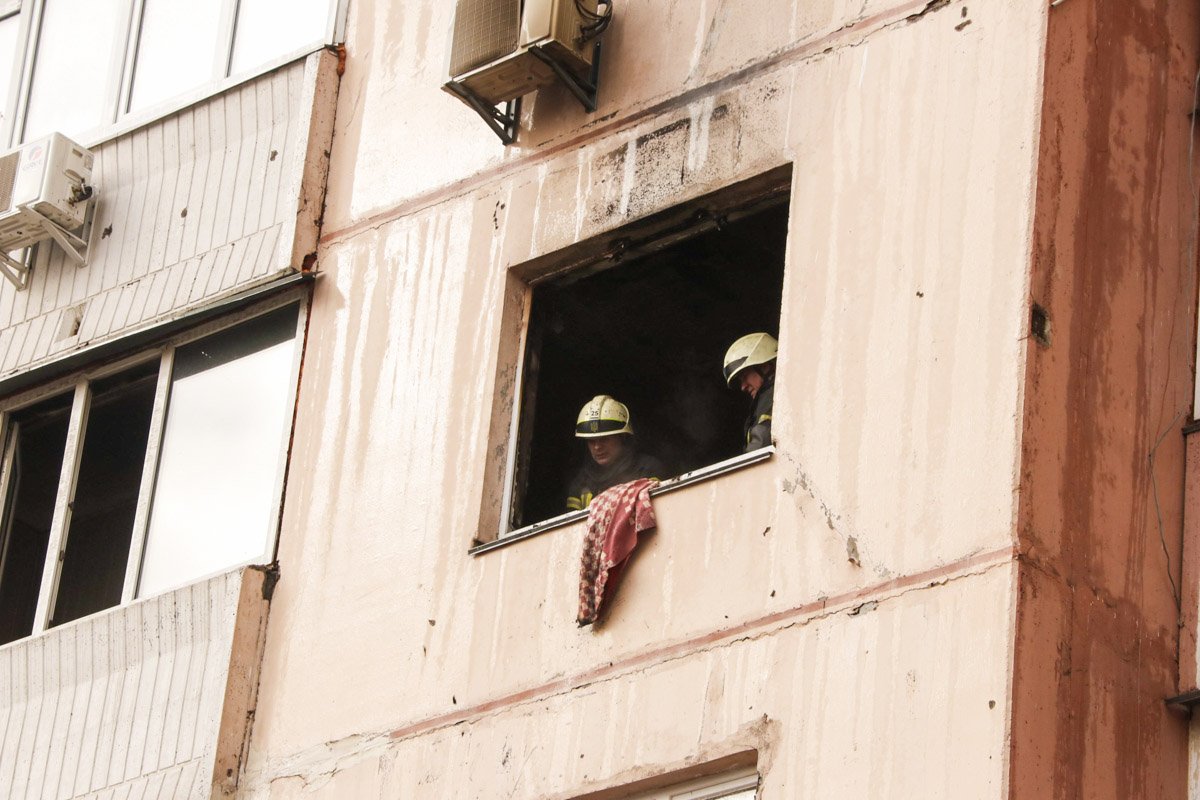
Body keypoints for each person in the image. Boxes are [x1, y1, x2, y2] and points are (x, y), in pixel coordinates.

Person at [566, 395, 665, 511]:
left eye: (604, 439)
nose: (597, 447)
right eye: (591, 441)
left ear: (622, 437)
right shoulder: (580, 484)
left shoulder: (648, 469)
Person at [723, 332, 777, 453]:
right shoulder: (766, 400)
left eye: (745, 376)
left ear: (764, 366)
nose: (743, 387)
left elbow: (761, 443)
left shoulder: (774, 396)